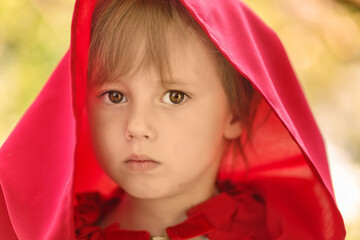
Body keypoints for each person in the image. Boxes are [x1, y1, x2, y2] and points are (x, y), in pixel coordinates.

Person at [0, 0, 346, 239]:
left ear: (236, 114)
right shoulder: (52, 234)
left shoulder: (276, 233)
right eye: (115, 96)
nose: (136, 127)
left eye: (174, 96)